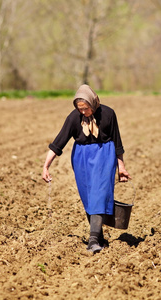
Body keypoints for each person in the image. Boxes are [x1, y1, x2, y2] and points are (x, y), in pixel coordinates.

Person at [42, 84, 131, 253]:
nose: (83, 112)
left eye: (86, 108)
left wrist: (121, 167)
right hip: (82, 158)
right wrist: (46, 166)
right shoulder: (73, 118)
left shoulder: (108, 114)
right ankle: (99, 237)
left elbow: (118, 142)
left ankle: (92, 240)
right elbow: (58, 142)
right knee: (89, 197)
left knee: (99, 194)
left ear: (93, 102)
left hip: (105, 155)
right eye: (79, 109)